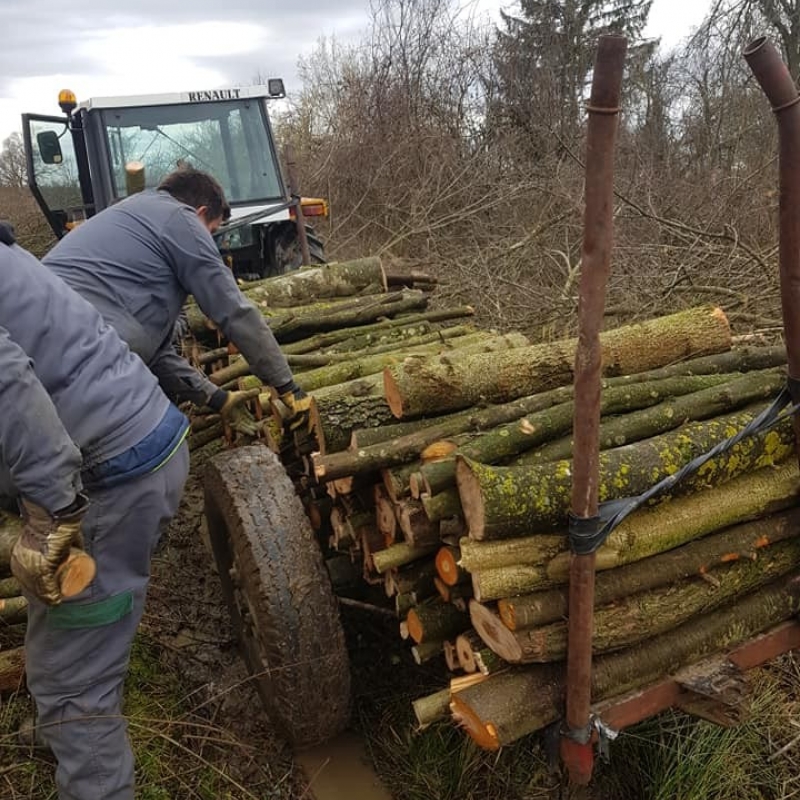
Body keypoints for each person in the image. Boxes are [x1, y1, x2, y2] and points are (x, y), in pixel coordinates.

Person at [0, 221, 190, 800]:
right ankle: (68, 724)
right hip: (137, 440)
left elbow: (7, 382)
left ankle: (82, 740)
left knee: (75, 677)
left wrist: (51, 515)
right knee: (65, 630)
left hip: (110, 476)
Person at [43, 166, 312, 434]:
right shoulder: (181, 219)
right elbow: (233, 310)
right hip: (70, 349)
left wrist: (217, 398)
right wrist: (287, 385)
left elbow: (152, 351)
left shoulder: (134, 217)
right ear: (201, 213)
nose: (211, 243)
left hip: (35, 335)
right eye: (213, 230)